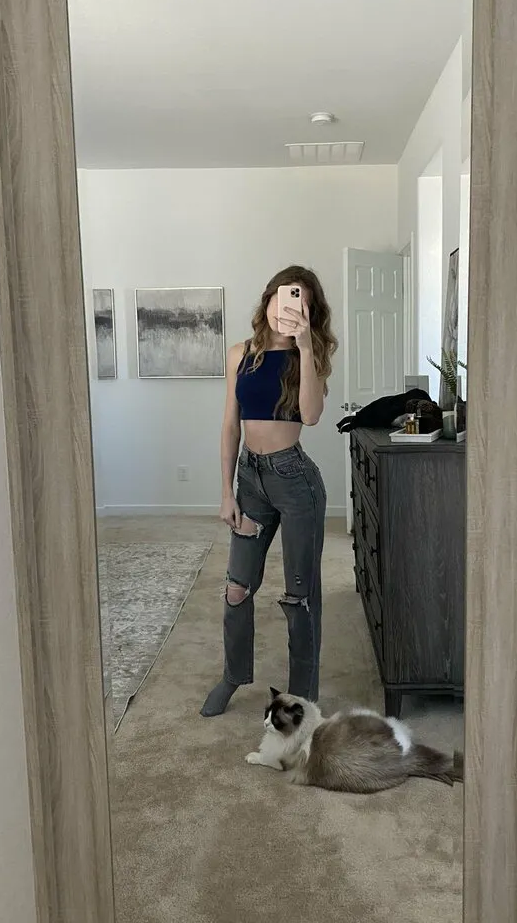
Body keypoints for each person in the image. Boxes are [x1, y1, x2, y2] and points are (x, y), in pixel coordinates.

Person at [200, 266, 338, 717]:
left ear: (309, 311)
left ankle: (301, 699)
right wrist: (227, 492)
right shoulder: (240, 354)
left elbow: (311, 416)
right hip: (250, 480)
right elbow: (229, 425)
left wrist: (305, 346)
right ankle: (232, 676)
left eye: (300, 302)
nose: (288, 308)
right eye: (283, 298)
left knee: (300, 597)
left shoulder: (309, 356)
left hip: (295, 482)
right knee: (236, 587)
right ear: (269, 301)